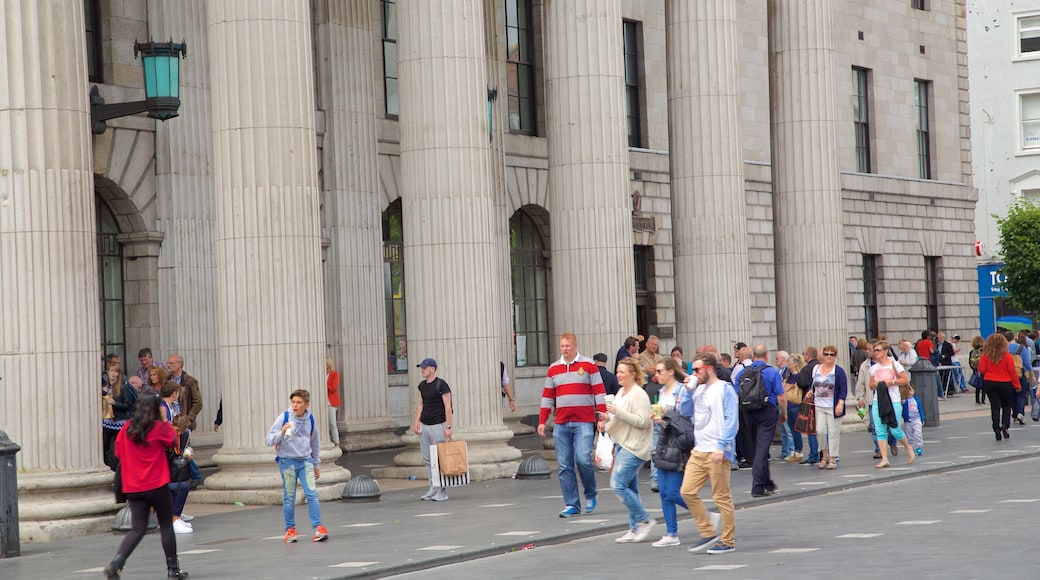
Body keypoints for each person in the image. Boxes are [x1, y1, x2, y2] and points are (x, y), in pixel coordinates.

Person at [102, 393, 189, 579]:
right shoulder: (157, 427)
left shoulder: (126, 428)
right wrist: (165, 420)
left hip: (133, 486)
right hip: (157, 483)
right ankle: (173, 569)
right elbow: (174, 441)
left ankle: (117, 562)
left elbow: (117, 452)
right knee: (166, 525)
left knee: (137, 528)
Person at [539, 333, 605, 518]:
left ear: (575, 346)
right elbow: (547, 396)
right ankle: (571, 504)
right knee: (564, 465)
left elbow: (599, 391)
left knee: (583, 459)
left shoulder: (589, 366)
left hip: (583, 421)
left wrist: (602, 417)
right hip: (561, 422)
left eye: (568, 345)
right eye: (562, 346)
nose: (565, 349)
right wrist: (542, 421)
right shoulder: (554, 369)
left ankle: (590, 493)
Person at [678, 353, 738, 555]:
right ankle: (707, 531)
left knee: (721, 497)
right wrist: (687, 390)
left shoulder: (724, 389)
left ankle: (728, 540)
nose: (693, 373)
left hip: (717, 450)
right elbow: (684, 411)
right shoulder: (697, 389)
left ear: (709, 369)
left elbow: (732, 420)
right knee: (687, 491)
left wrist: (722, 446)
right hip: (699, 449)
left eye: (696, 370)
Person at [599, 357, 655, 543]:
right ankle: (634, 528)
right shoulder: (621, 391)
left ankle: (644, 520)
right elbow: (619, 418)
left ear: (633, 374)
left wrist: (617, 412)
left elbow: (643, 421)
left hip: (635, 446)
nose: (619, 375)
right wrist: (607, 420)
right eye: (618, 372)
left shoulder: (639, 394)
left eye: (622, 372)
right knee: (630, 487)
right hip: (621, 443)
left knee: (618, 485)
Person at [265, 389, 329, 543]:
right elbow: (268, 440)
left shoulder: (310, 419)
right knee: (289, 497)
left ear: (306, 404)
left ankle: (318, 527)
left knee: (312, 494)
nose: (295, 405)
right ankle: (290, 530)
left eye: (299, 402)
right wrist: (281, 433)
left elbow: (314, 443)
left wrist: (316, 464)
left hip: (305, 461)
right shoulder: (284, 417)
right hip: (287, 462)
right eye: (293, 402)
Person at [740, 345, 786, 494]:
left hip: (748, 413)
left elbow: (737, 394)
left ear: (754, 356)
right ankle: (757, 486)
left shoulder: (742, 372)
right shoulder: (772, 372)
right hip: (766, 412)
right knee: (762, 449)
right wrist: (783, 413)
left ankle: (768, 483)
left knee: (757, 448)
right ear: (766, 355)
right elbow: (781, 396)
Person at [868, 341, 916, 467]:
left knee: (894, 429)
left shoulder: (894, 364)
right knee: (880, 429)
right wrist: (878, 384)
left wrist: (891, 382)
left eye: (878, 350)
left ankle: (907, 446)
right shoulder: (874, 368)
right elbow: (871, 385)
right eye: (875, 350)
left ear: (885, 351)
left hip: (893, 399)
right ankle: (884, 458)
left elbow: (904, 380)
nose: (876, 352)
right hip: (879, 400)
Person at [411, 358, 453, 502]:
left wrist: (448, 426)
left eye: (424, 368)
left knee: (438, 459)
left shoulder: (441, 385)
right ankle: (433, 487)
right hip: (425, 425)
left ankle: (441, 489)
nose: (422, 370)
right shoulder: (422, 385)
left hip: (438, 424)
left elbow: (448, 406)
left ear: (432, 369)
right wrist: (417, 422)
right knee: (428, 459)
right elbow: (421, 405)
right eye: (421, 368)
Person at [648, 358, 685, 492]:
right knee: (656, 452)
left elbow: (684, 413)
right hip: (661, 426)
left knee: (673, 491)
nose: (656, 375)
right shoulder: (661, 390)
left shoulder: (681, 389)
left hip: (675, 430)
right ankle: (655, 479)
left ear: (670, 371)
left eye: (659, 371)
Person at [978, 333, 1020, 441]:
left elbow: (981, 370)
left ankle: (996, 428)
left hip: (990, 382)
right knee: (1006, 405)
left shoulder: (985, 356)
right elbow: (1012, 372)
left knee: (995, 406)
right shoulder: (1007, 356)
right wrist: (1017, 385)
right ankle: (1005, 425)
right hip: (1005, 382)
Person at [811, 345, 847, 470]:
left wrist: (840, 403)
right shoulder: (816, 368)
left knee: (833, 432)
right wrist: (810, 392)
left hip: (833, 405)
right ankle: (824, 454)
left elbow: (843, 389)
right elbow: (813, 385)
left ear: (835, 356)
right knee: (820, 431)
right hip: (819, 404)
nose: (829, 357)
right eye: (826, 354)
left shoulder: (838, 371)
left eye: (832, 354)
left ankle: (833, 457)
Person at [102, 366, 137, 471]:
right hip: (107, 420)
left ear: (119, 374)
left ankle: (119, 470)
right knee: (105, 446)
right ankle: (108, 468)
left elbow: (128, 405)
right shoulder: (106, 387)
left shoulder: (123, 388)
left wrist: (115, 403)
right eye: (111, 371)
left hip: (119, 421)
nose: (113, 374)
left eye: (115, 372)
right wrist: (103, 392)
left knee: (120, 447)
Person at [169, 415, 194, 534]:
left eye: (181, 431)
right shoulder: (166, 436)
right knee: (182, 487)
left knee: (182, 485)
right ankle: (175, 518)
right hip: (164, 475)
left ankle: (176, 518)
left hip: (174, 472)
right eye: (177, 430)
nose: (178, 434)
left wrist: (186, 456)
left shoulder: (185, 435)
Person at [166, 355, 202, 430]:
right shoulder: (166, 380)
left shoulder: (190, 381)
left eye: (171, 363)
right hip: (170, 421)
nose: (168, 365)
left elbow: (198, 402)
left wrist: (189, 418)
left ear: (179, 364)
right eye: (168, 363)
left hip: (183, 422)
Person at [782, 354, 807, 463]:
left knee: (795, 429)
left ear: (794, 364)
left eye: (789, 362)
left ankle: (798, 451)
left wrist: (785, 385)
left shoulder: (796, 376)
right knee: (792, 428)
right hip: (789, 404)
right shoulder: (789, 375)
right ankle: (796, 450)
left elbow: (784, 388)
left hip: (794, 404)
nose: (788, 364)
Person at [1007, 331, 1032, 425]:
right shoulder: (1021, 347)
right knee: (1021, 395)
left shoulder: (1004, 349)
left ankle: (1014, 414)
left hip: (1008, 376)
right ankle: (1020, 413)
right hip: (1020, 374)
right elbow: (1026, 362)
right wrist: (1032, 374)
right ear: (1014, 337)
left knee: (1012, 396)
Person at [900, 384, 924, 455]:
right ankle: (911, 448)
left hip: (917, 419)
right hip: (908, 421)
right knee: (909, 435)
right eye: (908, 391)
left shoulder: (916, 399)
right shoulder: (904, 400)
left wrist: (922, 418)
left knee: (918, 433)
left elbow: (920, 409)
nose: (910, 392)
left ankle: (919, 447)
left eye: (911, 390)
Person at [326, 358, 341, 445]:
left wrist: (324, 384)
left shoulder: (334, 374)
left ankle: (337, 443)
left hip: (331, 402)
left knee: (332, 423)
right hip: (322, 402)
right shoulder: (320, 374)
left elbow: (333, 388)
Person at [968, 335, 985, 406]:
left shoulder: (972, 351)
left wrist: (974, 369)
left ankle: (977, 401)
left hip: (975, 370)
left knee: (977, 386)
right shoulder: (983, 351)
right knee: (984, 385)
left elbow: (970, 361)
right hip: (982, 370)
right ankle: (983, 400)